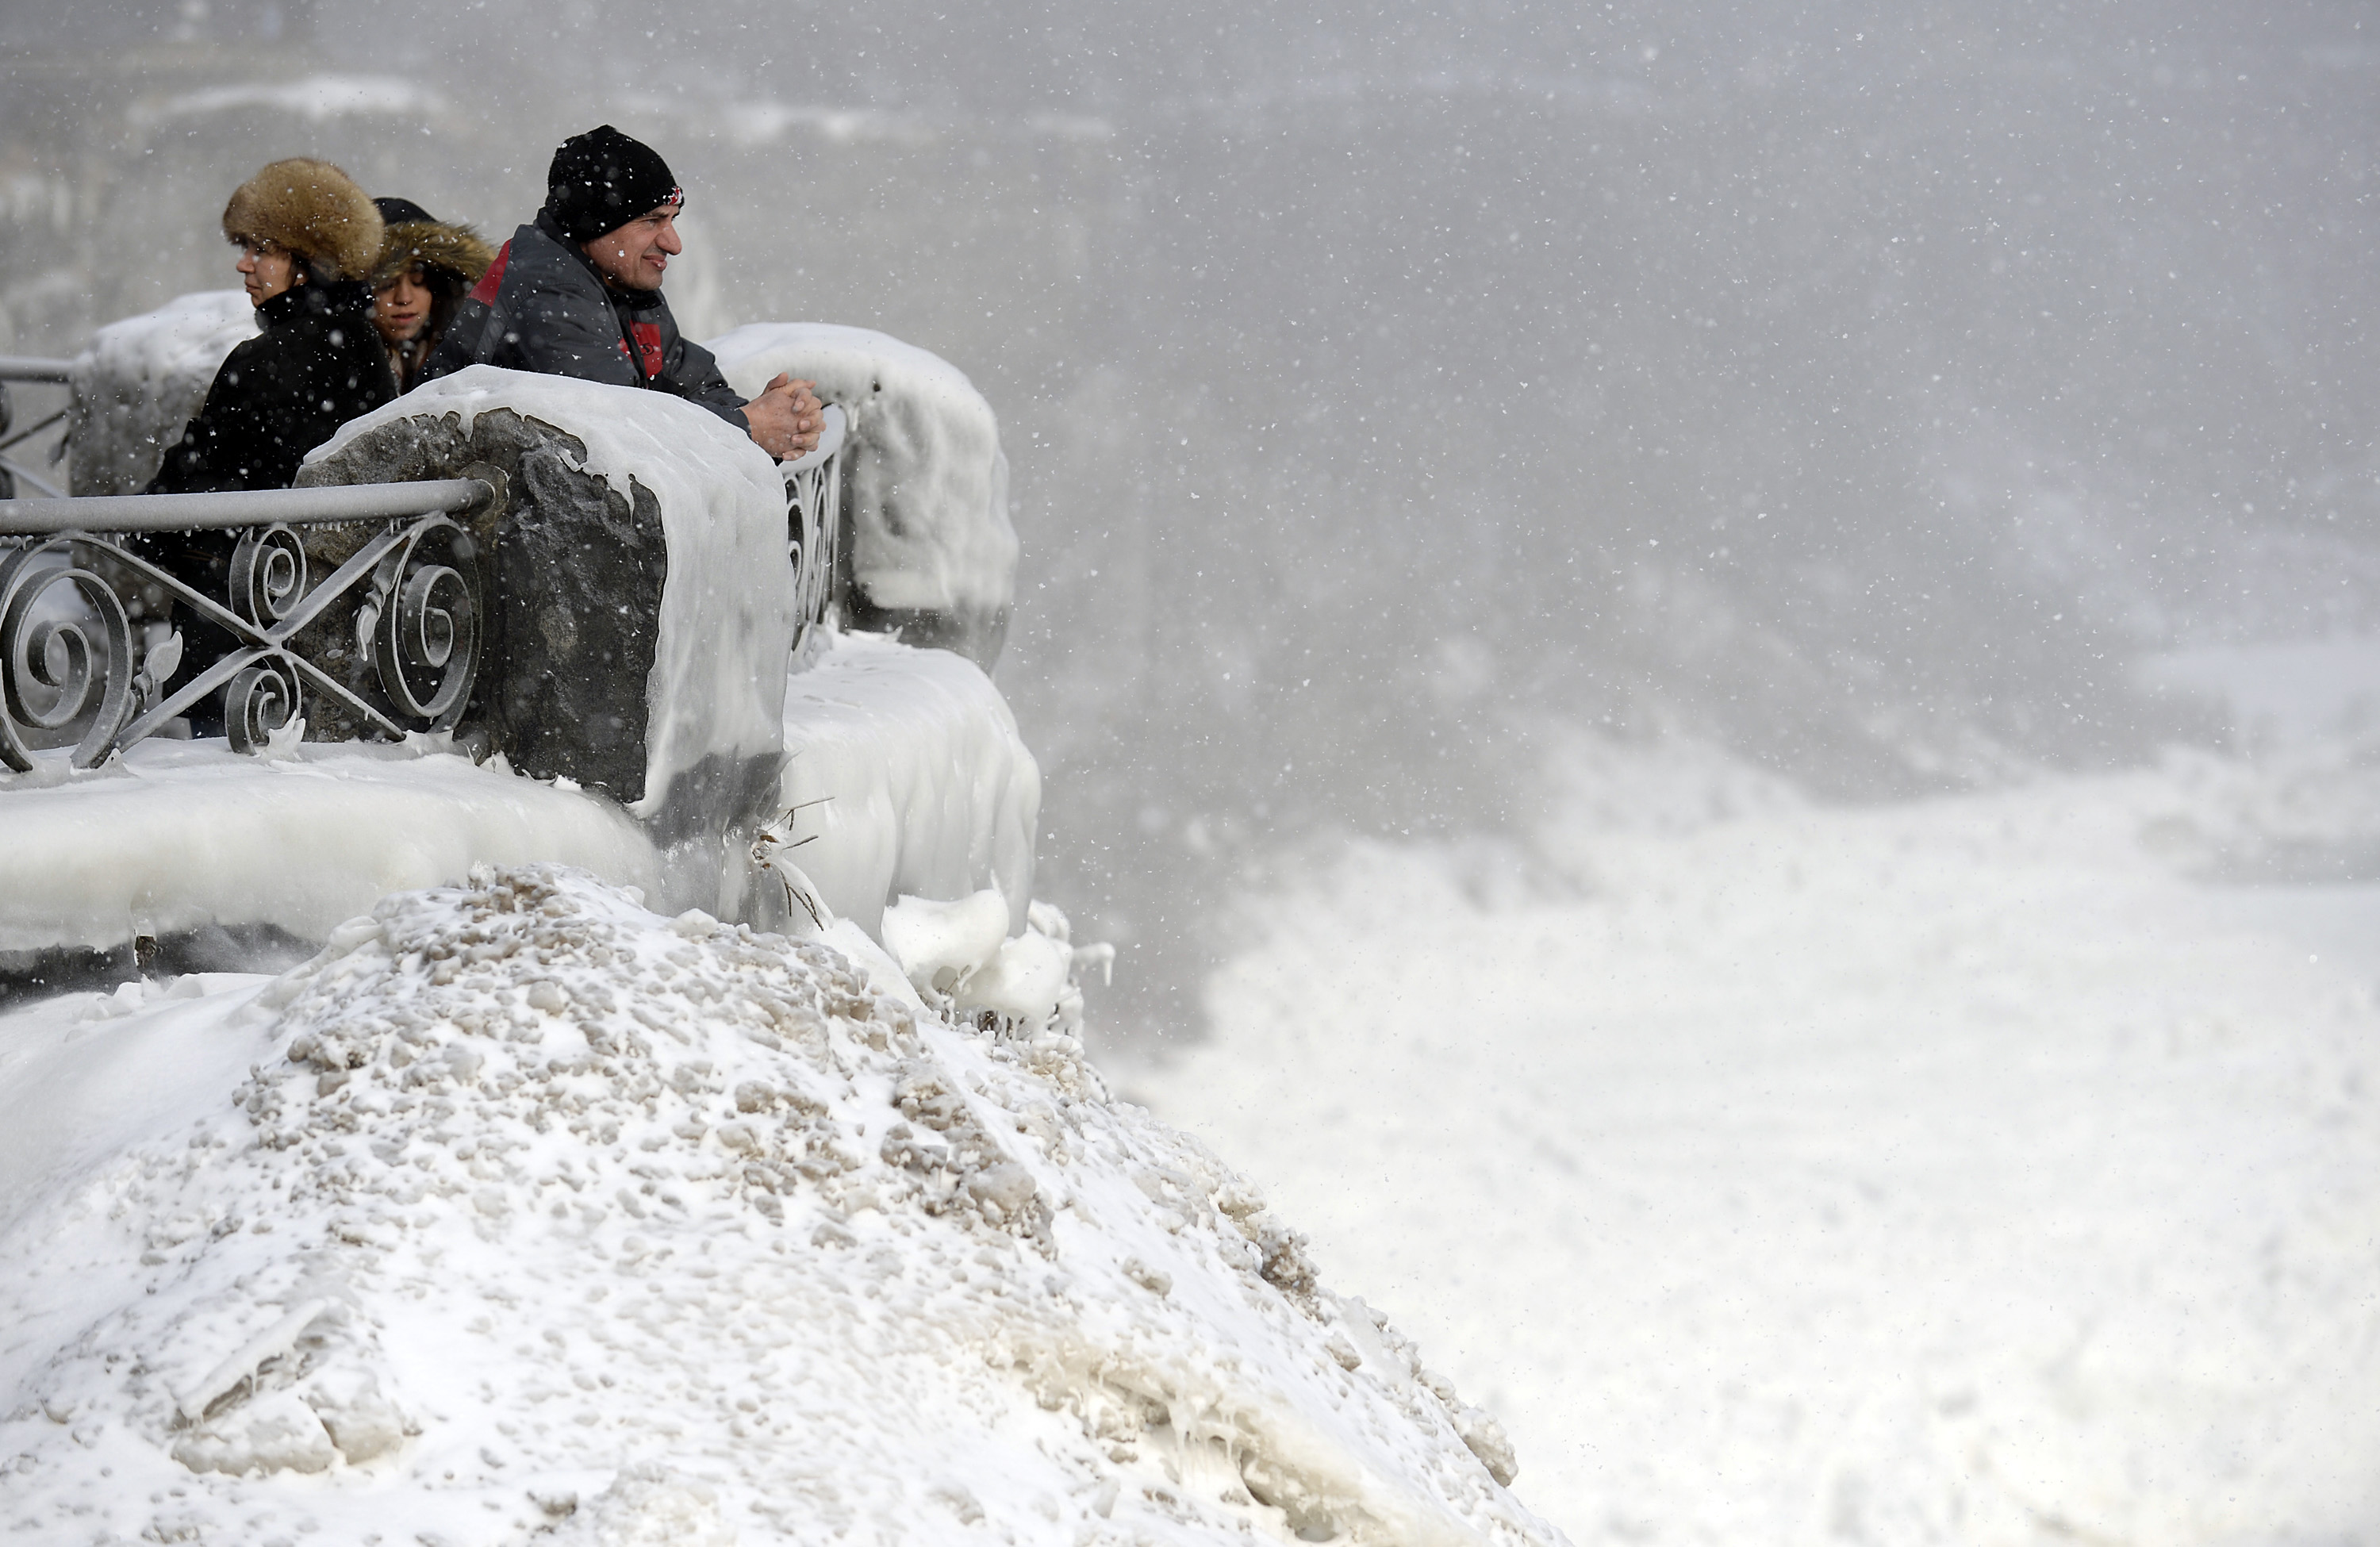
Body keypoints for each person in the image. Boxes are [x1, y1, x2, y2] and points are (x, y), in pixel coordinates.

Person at [424, 125, 821, 460]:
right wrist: (749, 427)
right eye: (652, 221)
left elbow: (692, 387)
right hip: (471, 536)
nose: (673, 243)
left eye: (672, 219)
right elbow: (623, 433)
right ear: (594, 225)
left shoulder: (622, 283)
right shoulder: (548, 295)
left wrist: (766, 417)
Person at [148, 157, 397, 495]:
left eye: (261, 250)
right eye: (245, 247)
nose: (243, 264)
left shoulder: (272, 356)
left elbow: (204, 483)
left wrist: (128, 523)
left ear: (312, 262)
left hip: (262, 545)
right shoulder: (360, 339)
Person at [368, 196, 495, 392]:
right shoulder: (335, 365)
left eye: (419, 282)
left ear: (439, 288)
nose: (404, 298)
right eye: (386, 285)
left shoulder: (475, 361)